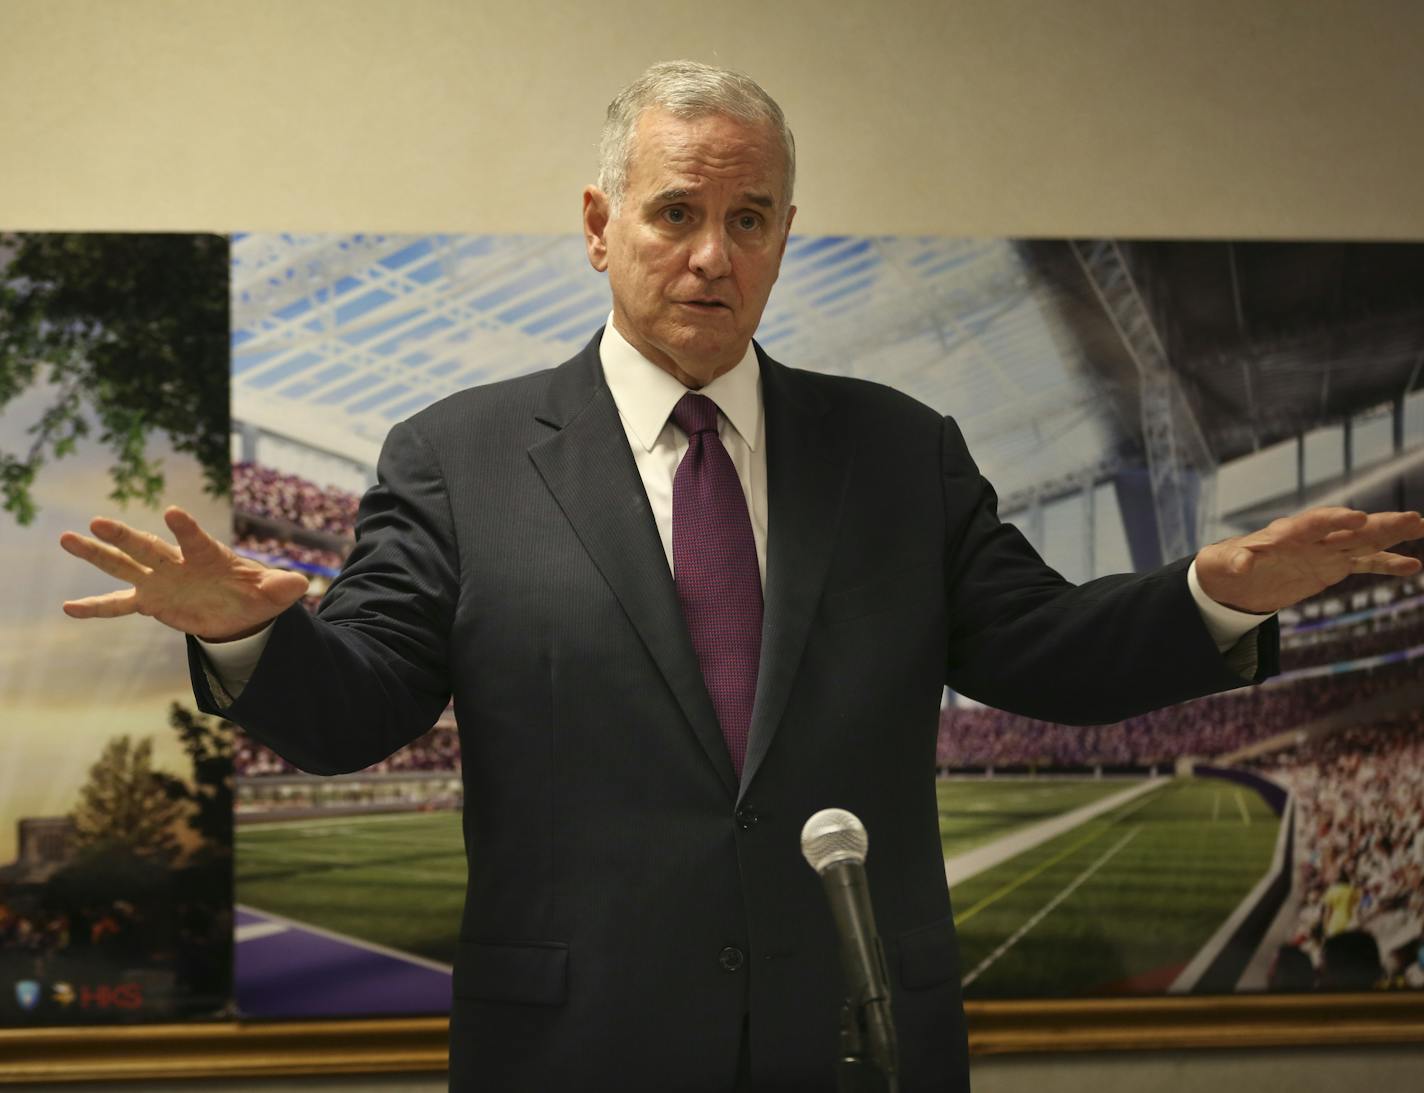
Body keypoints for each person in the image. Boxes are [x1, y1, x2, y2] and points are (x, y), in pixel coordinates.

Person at [59, 61, 1423, 1092]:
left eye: (752, 216)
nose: (715, 252)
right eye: (676, 211)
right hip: (574, 1052)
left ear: (784, 232)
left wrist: (1216, 589)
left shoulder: (900, 452)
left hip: (860, 1040)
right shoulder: (457, 457)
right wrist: (250, 643)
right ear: (600, 225)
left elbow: (1047, 649)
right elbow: (356, 703)